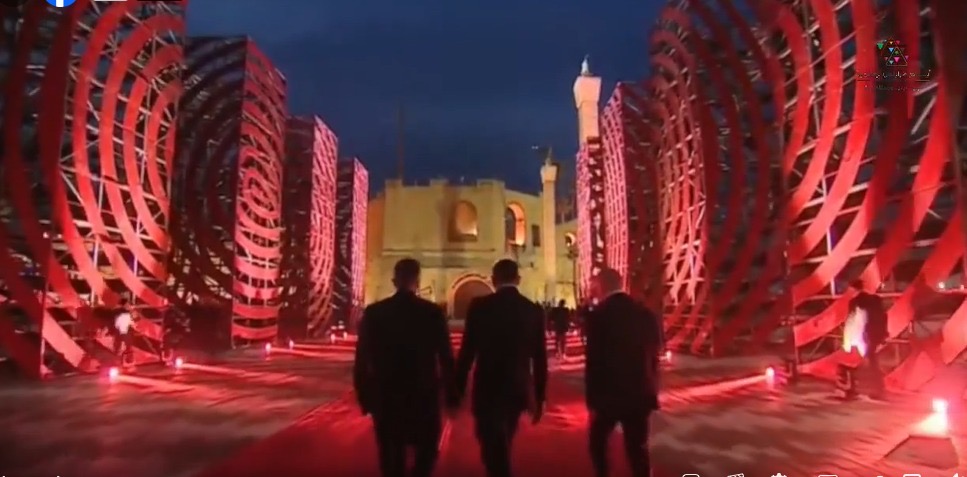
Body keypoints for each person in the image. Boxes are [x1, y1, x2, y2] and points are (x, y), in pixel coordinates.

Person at [353, 258, 457, 477]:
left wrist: (364, 396)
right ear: (418, 282)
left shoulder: (375, 313)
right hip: (423, 393)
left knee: (390, 453)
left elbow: (362, 359)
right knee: (426, 450)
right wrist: (452, 395)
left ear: (394, 281)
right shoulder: (432, 313)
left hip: (386, 394)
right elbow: (446, 357)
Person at [455, 259, 548, 477]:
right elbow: (540, 358)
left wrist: (457, 388)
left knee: (491, 440)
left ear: (493, 280)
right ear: (518, 279)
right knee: (504, 436)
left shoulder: (479, 307)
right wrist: (540, 396)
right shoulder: (532, 310)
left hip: (488, 385)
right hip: (518, 387)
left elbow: (467, 351)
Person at [584, 268, 661, 477]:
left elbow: (594, 362)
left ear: (601, 285)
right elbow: (654, 354)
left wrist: (591, 400)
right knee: (637, 448)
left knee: (598, 443)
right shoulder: (644, 313)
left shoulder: (598, 316)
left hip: (608, 394)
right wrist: (652, 387)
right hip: (640, 392)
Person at [849, 280, 887, 398]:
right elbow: (883, 316)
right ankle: (877, 388)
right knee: (871, 360)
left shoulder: (855, 302)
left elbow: (853, 321)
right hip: (875, 334)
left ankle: (877, 389)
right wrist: (883, 333)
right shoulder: (874, 299)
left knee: (870, 361)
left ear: (853, 289)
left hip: (864, 335)